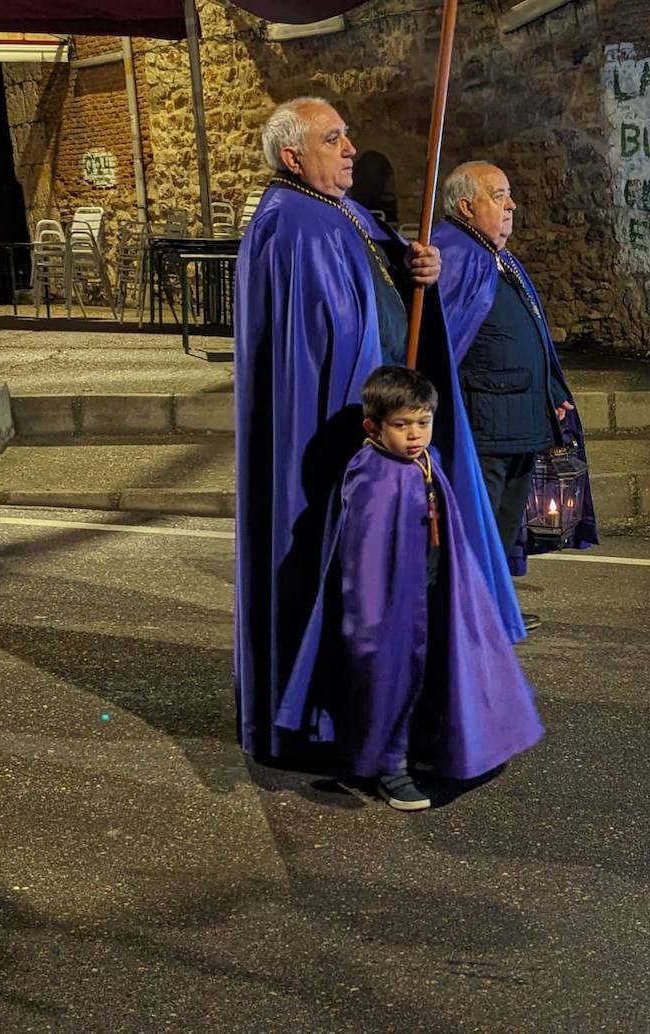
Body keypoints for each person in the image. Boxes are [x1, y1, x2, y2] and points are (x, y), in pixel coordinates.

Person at [233, 97, 521, 769]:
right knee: (367, 603)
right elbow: (316, 348)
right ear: (293, 156)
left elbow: (387, 279)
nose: (351, 148)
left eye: (347, 136)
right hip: (348, 449)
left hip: (389, 435)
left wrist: (418, 268)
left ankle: (400, 730)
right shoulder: (288, 226)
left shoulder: (342, 210)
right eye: (334, 139)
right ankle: (360, 735)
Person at [274, 366, 544, 810]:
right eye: (401, 425)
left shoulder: (424, 459)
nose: (415, 434)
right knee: (391, 679)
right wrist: (371, 622)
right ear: (374, 427)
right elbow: (364, 559)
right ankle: (389, 767)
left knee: (446, 666)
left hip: (431, 587)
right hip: (390, 605)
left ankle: (434, 742)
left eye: (423, 422)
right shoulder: (372, 477)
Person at [425, 161, 597, 631]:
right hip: (484, 421)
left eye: (509, 195)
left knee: (501, 526)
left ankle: (493, 609)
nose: (511, 205)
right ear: (466, 206)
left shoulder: (497, 255)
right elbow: (449, 340)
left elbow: (532, 331)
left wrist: (552, 391)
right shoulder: (454, 255)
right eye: (499, 196)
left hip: (520, 416)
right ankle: (467, 616)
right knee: (478, 527)